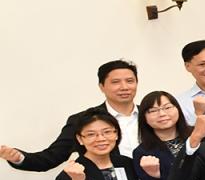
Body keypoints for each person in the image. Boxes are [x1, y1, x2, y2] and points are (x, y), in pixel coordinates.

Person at [2, 60, 137, 171]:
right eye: (115, 82)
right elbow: (52, 157)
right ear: (101, 86)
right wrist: (19, 157)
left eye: (130, 81)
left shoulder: (152, 116)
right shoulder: (83, 120)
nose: (124, 87)